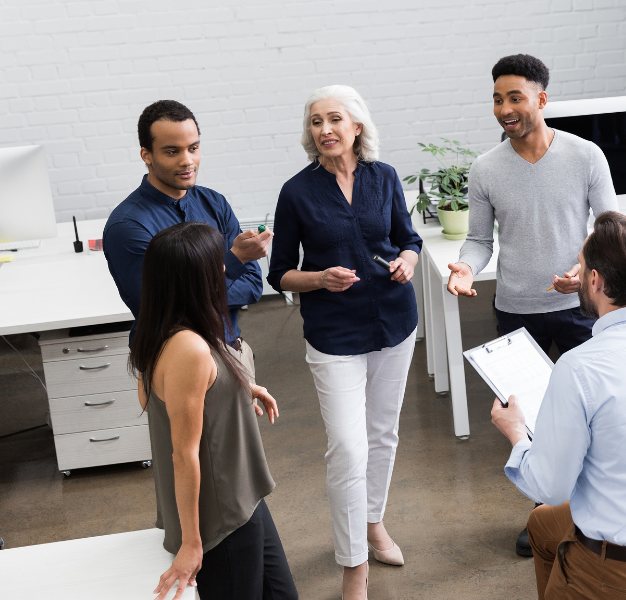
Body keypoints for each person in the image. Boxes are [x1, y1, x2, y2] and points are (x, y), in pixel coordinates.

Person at [446, 52, 618, 557]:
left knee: (589, 414)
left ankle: (593, 512)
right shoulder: (485, 169)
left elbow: (610, 227)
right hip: (516, 311)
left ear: (542, 99)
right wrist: (464, 266)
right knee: (532, 420)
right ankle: (544, 515)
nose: (504, 108)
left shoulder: (586, 156)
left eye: (515, 97)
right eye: (497, 99)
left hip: (581, 308)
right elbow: (479, 241)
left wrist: (583, 268)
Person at [491, 211, 626, 600]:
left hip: (618, 571)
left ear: (595, 280)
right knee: (542, 525)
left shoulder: (578, 367)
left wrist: (515, 432)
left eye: (582, 265)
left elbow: (550, 485)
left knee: (547, 503)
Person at [267, 85, 421, 600]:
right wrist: (317, 279)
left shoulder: (385, 177)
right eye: (315, 121)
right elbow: (279, 273)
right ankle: (354, 566)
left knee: (382, 435)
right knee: (348, 449)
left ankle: (373, 524)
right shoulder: (297, 192)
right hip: (335, 334)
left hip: (395, 323)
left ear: (357, 126)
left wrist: (408, 261)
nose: (325, 129)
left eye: (335, 118)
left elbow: (409, 237)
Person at [131, 222, 296, 600]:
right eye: (215, 264)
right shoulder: (188, 347)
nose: (224, 269)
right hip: (220, 516)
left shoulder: (166, 331)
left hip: (243, 494)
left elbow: (166, 396)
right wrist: (192, 544)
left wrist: (239, 390)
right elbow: (183, 453)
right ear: (194, 278)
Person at [104, 100, 272, 360]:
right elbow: (165, 310)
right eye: (172, 152)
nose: (187, 161)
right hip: (173, 362)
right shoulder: (128, 226)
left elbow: (252, 286)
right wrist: (235, 260)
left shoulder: (214, 203)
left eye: (193, 148)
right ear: (146, 155)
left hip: (232, 350)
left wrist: (195, 295)